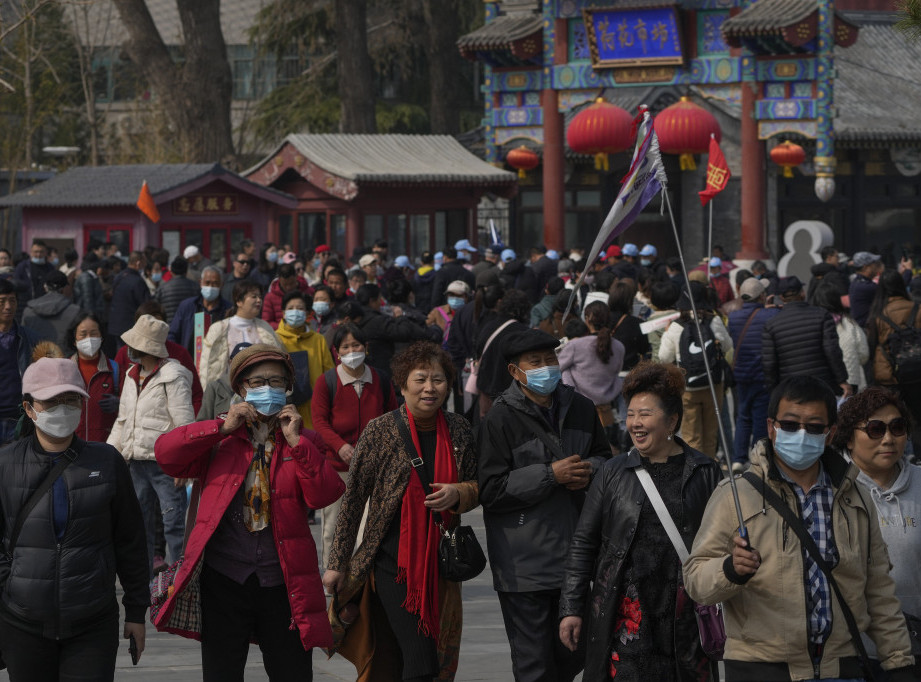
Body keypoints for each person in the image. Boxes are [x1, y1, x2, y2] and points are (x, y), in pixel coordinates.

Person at [685, 375, 916, 681]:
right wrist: (730, 570)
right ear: (771, 428)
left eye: (815, 427)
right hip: (760, 669)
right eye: (791, 425)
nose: (802, 434)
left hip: (842, 669)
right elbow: (695, 579)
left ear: (831, 433)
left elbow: (879, 592)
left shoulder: (855, 498)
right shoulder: (735, 495)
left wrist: (899, 663)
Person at [152, 344, 344, 680]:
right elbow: (167, 455)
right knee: (222, 672)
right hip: (224, 579)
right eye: (257, 382)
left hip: (284, 582)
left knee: (292, 672)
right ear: (241, 388)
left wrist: (297, 443)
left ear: (288, 389)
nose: (267, 388)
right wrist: (220, 428)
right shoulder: (221, 437)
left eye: (276, 381)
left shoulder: (304, 439)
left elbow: (324, 494)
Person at [323, 342, 479, 681]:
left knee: (418, 659)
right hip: (392, 563)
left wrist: (460, 492)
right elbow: (353, 500)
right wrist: (337, 563)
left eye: (438, 380)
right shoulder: (380, 430)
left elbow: (478, 486)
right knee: (421, 661)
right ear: (402, 385)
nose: (429, 388)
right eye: (420, 379)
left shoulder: (460, 429)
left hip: (442, 563)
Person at [559, 362, 722, 680]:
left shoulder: (705, 472)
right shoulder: (612, 472)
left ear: (672, 420)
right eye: (631, 414)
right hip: (627, 617)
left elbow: (719, 544)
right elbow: (583, 543)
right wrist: (571, 608)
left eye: (645, 414)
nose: (635, 423)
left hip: (685, 619)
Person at [0, 358, 148, 680]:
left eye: (71, 400)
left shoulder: (107, 461)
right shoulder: (5, 464)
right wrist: (11, 584)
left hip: (92, 623)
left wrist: (136, 611)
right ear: (29, 408)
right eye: (52, 401)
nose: (63, 409)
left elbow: (131, 541)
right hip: (22, 623)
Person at [478, 328, 611, 682]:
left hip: (577, 558)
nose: (545, 367)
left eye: (550, 359)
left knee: (577, 653)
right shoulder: (499, 418)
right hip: (525, 567)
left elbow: (604, 459)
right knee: (534, 664)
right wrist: (550, 475)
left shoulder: (580, 407)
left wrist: (589, 470)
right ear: (515, 371)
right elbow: (490, 489)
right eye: (534, 362)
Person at [833, 387, 921, 678]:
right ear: (848, 437)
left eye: (897, 427)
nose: (888, 439)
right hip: (851, 654)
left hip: (914, 649)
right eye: (875, 429)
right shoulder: (829, 491)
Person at [107, 314, 194, 573]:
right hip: (136, 463)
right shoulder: (131, 375)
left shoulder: (174, 375)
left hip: (165, 464)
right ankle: (143, 582)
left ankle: (180, 580)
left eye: (133, 344)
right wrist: (110, 455)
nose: (128, 348)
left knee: (174, 524)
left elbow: (184, 424)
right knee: (139, 525)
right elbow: (123, 420)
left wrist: (184, 464)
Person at [311, 323, 398, 566]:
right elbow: (319, 421)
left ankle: (360, 577)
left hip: (374, 467)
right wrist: (339, 446)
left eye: (356, 345)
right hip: (337, 467)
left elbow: (392, 416)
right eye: (345, 347)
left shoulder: (380, 379)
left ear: (366, 347)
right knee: (334, 528)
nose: (351, 351)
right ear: (336, 352)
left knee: (368, 527)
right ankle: (333, 576)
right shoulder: (327, 381)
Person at [657, 281, 734, 458]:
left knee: (692, 435)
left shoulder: (676, 326)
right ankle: (710, 467)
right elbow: (727, 345)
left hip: (687, 387)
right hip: (713, 384)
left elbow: (664, 357)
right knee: (711, 433)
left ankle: (696, 470)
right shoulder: (714, 321)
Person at [762, 275, 850, 398]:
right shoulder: (822, 315)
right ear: (802, 293)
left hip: (791, 388)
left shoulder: (771, 325)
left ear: (781, 297)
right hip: (823, 384)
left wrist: (774, 390)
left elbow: (769, 364)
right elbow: (832, 351)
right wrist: (842, 379)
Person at [557, 301, 626, 449]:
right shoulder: (619, 346)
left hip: (580, 406)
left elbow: (558, 368)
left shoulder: (575, 346)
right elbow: (617, 371)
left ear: (587, 319)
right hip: (607, 406)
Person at [728, 277, 779, 469]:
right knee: (759, 416)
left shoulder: (733, 317)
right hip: (761, 374)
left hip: (741, 374)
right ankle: (756, 456)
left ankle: (737, 458)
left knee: (743, 416)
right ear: (762, 296)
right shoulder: (770, 314)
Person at [867, 269, 921, 452]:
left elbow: (871, 345)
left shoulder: (878, 314)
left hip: (889, 374)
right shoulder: (917, 308)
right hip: (917, 371)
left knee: (893, 418)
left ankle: (900, 455)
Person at [198, 281, 283, 389]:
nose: (259, 300)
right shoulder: (218, 329)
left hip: (261, 390)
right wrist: (207, 391)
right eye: (254, 296)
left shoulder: (266, 328)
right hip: (226, 391)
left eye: (260, 297)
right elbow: (206, 365)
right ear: (239, 301)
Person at [275, 289, 334, 429]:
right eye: (291, 308)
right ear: (283, 313)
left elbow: (329, 373)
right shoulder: (275, 339)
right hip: (284, 411)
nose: (295, 312)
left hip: (315, 409)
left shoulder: (318, 340)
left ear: (307, 313)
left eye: (300, 308)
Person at [69, 313, 119, 442]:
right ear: (74, 340)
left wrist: (120, 403)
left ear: (101, 337)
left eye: (94, 333)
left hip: (105, 446)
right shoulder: (64, 370)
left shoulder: (115, 369)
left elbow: (131, 407)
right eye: (83, 334)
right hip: (71, 446)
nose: (89, 339)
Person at [0, 279, 38, 443]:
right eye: (2, 301)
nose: (8, 307)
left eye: (12, 301)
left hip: (20, 418)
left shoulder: (30, 339)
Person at [813, 280, 869, 393]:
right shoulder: (850, 323)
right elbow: (864, 353)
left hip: (823, 380)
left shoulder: (813, 324)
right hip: (851, 377)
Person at [167, 265, 232, 357]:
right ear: (200, 282)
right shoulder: (187, 306)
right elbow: (172, 334)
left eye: (215, 283)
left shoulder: (228, 309)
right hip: (188, 361)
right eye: (207, 283)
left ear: (222, 285)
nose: (210, 287)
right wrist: (178, 356)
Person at [21, 271, 83, 353]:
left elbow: (23, 340)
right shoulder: (75, 311)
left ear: (45, 287)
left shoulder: (28, 311)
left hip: (36, 358)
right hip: (65, 357)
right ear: (64, 288)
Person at [107, 251, 150, 347]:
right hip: (131, 326)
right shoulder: (138, 281)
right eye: (144, 262)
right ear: (138, 263)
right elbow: (145, 305)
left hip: (116, 324)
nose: (145, 265)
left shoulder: (119, 276)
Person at [610, 281, 651, 372]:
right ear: (630, 301)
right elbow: (644, 348)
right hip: (628, 371)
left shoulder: (602, 319)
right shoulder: (637, 323)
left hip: (606, 370)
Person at [262, 262, 311, 330]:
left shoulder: (307, 291)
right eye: (285, 284)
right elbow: (266, 322)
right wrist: (285, 328)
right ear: (279, 280)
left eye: (291, 283)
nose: (288, 287)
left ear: (296, 277)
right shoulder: (270, 297)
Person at [154, 255, 199, 323]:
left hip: (169, 325)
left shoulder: (162, 289)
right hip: (189, 326)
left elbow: (156, 309)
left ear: (171, 271)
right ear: (186, 271)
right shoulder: (195, 286)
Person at [13, 239, 55, 304]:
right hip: (26, 303)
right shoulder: (23, 267)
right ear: (31, 252)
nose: (38, 254)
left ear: (45, 252)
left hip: (46, 303)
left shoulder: (50, 268)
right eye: (36, 252)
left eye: (41, 252)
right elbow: (16, 282)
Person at [850, 251, 884, 327]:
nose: (877, 266)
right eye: (874, 264)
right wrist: (907, 271)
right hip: (865, 329)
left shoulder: (857, 282)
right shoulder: (865, 287)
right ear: (866, 267)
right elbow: (892, 289)